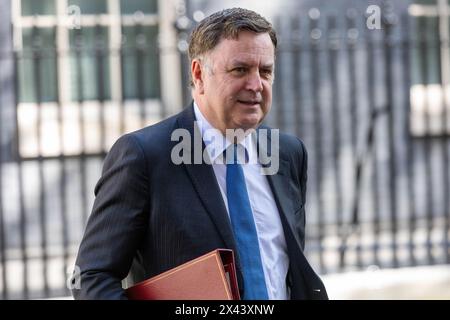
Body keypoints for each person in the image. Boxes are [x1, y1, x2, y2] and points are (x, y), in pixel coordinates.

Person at [71, 7, 328, 300]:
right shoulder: (144, 157)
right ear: (198, 74)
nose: (256, 85)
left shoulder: (288, 153)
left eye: (265, 71)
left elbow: (285, 268)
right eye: (240, 69)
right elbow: (91, 277)